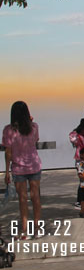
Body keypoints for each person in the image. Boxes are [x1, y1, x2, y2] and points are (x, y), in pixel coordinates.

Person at [2, 101, 42, 240]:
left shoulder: (8, 130)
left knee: (22, 199)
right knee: (35, 197)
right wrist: (30, 121)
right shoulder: (34, 127)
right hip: (34, 165)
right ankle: (37, 229)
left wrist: (6, 171)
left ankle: (24, 230)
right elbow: (35, 140)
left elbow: (8, 152)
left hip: (18, 167)